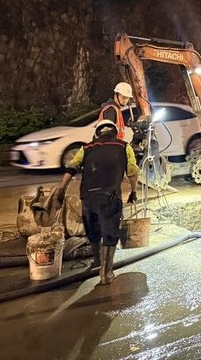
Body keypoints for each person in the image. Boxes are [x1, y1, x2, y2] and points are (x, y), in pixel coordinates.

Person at [56, 119, 139, 285]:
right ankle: (106, 273)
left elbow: (72, 167)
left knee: (92, 230)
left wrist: (61, 189)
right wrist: (133, 191)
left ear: (97, 134)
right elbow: (132, 171)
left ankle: (97, 261)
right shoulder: (124, 146)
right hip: (110, 196)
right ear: (115, 133)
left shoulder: (86, 148)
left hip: (87, 196)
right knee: (110, 231)